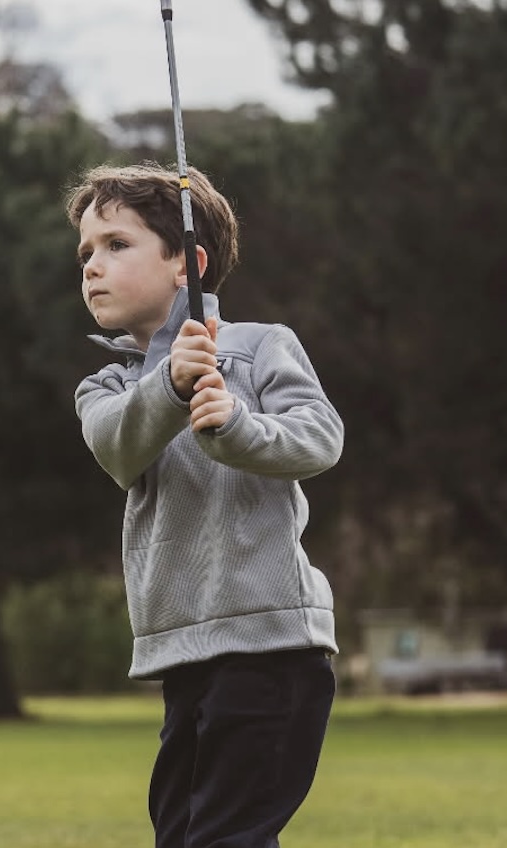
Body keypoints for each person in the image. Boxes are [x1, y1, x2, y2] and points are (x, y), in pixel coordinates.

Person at [68, 162, 345, 848]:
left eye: (115, 245)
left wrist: (237, 427)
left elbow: (319, 439)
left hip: (272, 650)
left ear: (186, 263)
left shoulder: (259, 349)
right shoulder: (108, 386)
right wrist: (170, 382)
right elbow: (118, 448)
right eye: (85, 253)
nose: (91, 267)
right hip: (186, 659)